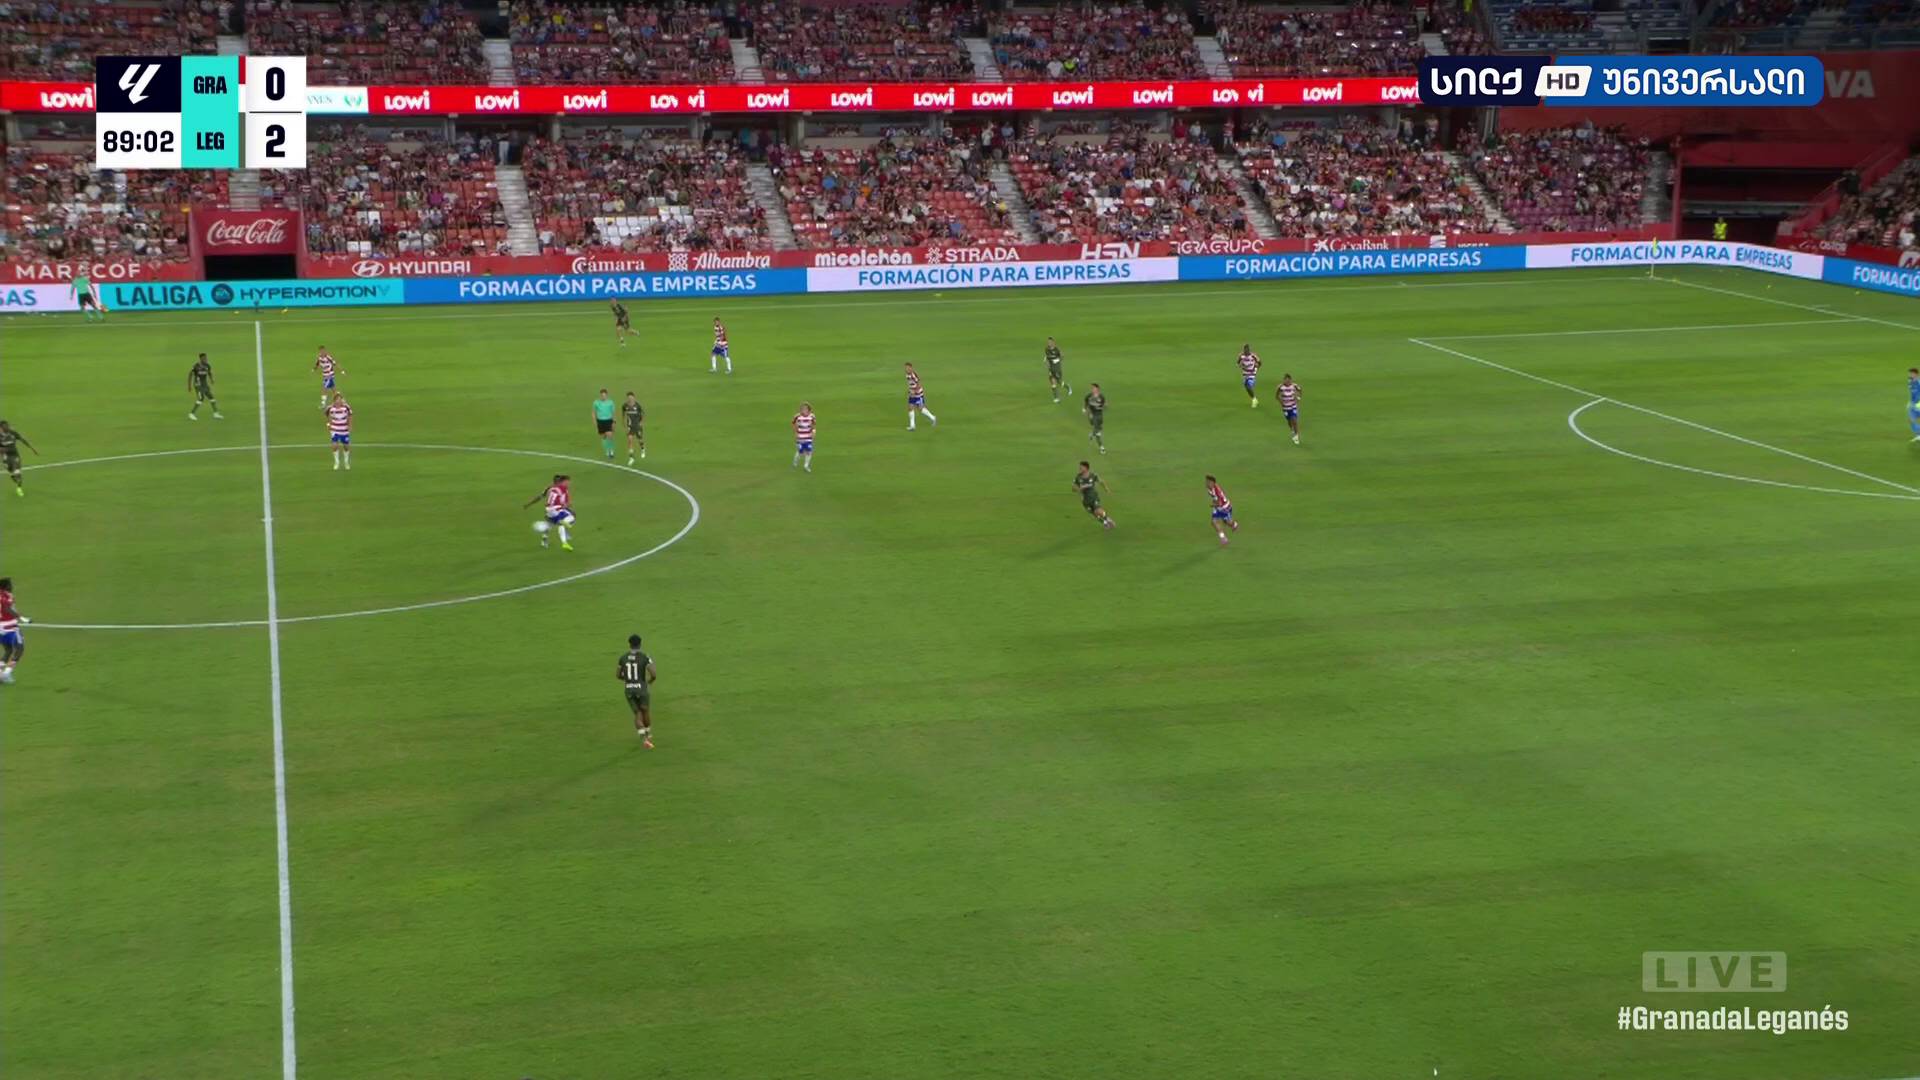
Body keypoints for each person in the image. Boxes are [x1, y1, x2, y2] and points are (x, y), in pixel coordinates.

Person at [617, 633, 658, 747]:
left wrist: (628, 679)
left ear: (629, 644)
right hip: (641, 689)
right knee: (645, 710)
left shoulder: (623, 658)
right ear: (640, 644)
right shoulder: (644, 657)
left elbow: (618, 675)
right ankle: (648, 734)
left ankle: (644, 739)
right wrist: (649, 682)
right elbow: (654, 674)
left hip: (629, 689)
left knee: (637, 713)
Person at [524, 473, 575, 550]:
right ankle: (548, 539)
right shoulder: (557, 488)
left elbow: (540, 497)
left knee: (552, 522)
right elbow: (540, 497)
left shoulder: (550, 488)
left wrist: (529, 504)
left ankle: (547, 539)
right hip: (556, 508)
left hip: (551, 508)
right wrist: (529, 504)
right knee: (560, 520)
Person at [0, 421, 38, 496]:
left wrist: (32, 448)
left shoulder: (12, 433)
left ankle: (19, 488)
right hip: (6, 458)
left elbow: (22, 440)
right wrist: (2, 450)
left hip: (15, 455)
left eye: (7, 426)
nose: (7, 428)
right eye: (4, 427)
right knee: (13, 475)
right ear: (1, 428)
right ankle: (16, 480)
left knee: (17, 472)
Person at [1073, 460, 1115, 530]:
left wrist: (1106, 489)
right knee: (1094, 513)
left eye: (1081, 467)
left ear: (1086, 468)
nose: (1079, 468)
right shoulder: (1078, 477)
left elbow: (1101, 481)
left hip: (1093, 497)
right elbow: (1073, 488)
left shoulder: (1093, 475)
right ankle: (1105, 523)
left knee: (1098, 511)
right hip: (1085, 500)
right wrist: (1080, 488)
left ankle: (1108, 520)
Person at [0, 577, 25, 684]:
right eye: (10, 585)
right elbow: (7, 608)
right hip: (11, 628)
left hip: (0, 629)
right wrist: (22, 618)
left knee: (8, 650)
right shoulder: (7, 596)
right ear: (6, 586)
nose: (12, 586)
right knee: (19, 649)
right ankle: (6, 673)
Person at [1205, 474, 1238, 546]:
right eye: (1206, 481)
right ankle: (1223, 538)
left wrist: (1213, 505)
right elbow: (1215, 498)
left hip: (1225, 508)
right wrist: (1214, 502)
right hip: (1218, 507)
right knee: (1214, 522)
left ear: (1212, 483)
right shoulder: (1209, 489)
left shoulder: (1217, 491)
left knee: (1227, 522)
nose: (1206, 483)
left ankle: (1234, 524)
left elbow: (1220, 503)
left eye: (1208, 482)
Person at [188, 353, 223, 420]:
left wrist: (211, 379)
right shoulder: (196, 366)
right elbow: (190, 375)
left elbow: (209, 372)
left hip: (205, 385)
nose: (206, 359)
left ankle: (216, 414)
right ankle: (191, 414)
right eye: (204, 358)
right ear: (201, 359)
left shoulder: (207, 366)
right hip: (198, 385)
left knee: (212, 398)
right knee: (201, 398)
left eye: (206, 358)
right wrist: (189, 386)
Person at [904, 362, 938, 431]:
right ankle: (912, 426)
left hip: (918, 394)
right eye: (905, 368)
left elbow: (918, 383)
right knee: (910, 408)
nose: (906, 369)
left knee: (920, 408)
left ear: (911, 368)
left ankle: (933, 418)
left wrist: (915, 391)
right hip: (912, 394)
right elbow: (911, 384)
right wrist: (910, 391)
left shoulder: (913, 375)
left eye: (907, 368)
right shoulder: (907, 375)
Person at [326, 393, 353, 470]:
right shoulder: (330, 408)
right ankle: (336, 462)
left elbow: (350, 415)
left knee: (346, 447)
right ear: (334, 400)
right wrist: (328, 424)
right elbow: (327, 414)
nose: (339, 401)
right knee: (334, 446)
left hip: (344, 429)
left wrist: (350, 426)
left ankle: (346, 462)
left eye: (340, 399)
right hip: (335, 429)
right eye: (337, 399)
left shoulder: (346, 407)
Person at [592, 389, 617, 460]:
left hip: (608, 421)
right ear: (600, 395)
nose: (603, 397)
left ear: (607, 395)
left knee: (610, 435)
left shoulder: (610, 402)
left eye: (604, 395)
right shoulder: (596, 403)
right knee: (603, 437)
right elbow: (593, 413)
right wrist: (594, 422)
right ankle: (607, 450)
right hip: (600, 421)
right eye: (602, 395)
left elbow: (613, 413)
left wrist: (614, 422)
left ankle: (611, 451)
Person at [1276, 374, 1302, 445]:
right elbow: (1277, 396)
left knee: (1294, 420)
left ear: (1290, 380)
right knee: (1289, 421)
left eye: (1289, 380)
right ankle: (1292, 430)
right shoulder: (1280, 387)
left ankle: (1296, 436)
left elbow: (1300, 390)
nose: (1287, 382)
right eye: (1286, 380)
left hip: (1293, 406)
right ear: (1284, 380)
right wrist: (1281, 402)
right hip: (1285, 408)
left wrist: (1298, 398)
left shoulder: (1294, 386)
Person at [1045, 337, 1070, 403]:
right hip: (1051, 368)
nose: (1049, 343)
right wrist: (1046, 361)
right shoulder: (1047, 349)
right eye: (1048, 342)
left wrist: (1057, 360)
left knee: (1059, 382)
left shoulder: (1057, 349)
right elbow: (1047, 357)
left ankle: (1068, 387)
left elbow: (1062, 356)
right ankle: (1056, 398)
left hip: (1057, 369)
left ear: (1053, 342)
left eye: (1050, 342)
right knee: (1053, 383)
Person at [1083, 382, 1107, 454]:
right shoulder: (1089, 396)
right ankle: (1102, 447)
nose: (1092, 389)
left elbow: (1105, 404)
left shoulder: (1101, 397)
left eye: (1094, 388)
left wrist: (1103, 406)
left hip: (1099, 415)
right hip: (1092, 414)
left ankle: (1092, 434)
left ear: (1098, 389)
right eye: (1092, 388)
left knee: (1099, 428)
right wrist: (1084, 409)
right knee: (1098, 432)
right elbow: (1086, 401)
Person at [623, 391, 645, 463]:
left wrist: (641, 423)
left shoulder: (638, 406)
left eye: (631, 398)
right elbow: (624, 415)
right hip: (630, 426)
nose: (630, 399)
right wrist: (625, 426)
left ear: (634, 398)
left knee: (640, 439)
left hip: (637, 426)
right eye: (629, 398)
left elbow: (642, 414)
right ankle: (631, 457)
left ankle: (642, 449)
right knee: (630, 440)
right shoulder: (625, 406)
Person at [793, 402, 816, 471]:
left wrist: (813, 433)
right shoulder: (797, 416)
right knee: (800, 452)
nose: (804, 410)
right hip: (800, 437)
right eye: (803, 409)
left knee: (809, 451)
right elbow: (793, 424)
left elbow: (813, 425)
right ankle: (795, 461)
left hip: (808, 437)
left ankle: (806, 466)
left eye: (806, 409)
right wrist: (796, 433)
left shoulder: (812, 416)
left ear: (809, 410)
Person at [1909, 368, 1919, 441]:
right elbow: (1912, 393)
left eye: (1912, 373)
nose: (1910, 375)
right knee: (1911, 419)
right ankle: (1918, 434)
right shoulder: (1910, 382)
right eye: (1910, 373)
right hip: (1913, 404)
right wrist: (1911, 402)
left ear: (1916, 374)